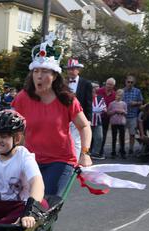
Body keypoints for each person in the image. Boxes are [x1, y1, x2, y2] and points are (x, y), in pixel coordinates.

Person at [11, 35, 92, 197]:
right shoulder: (23, 97)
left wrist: (85, 153)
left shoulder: (67, 99)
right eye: (36, 71)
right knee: (20, 201)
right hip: (30, 160)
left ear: (54, 76)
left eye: (44, 71)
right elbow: (12, 127)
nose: (39, 76)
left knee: (43, 199)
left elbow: (84, 126)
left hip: (60, 161)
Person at [66, 58, 93, 157]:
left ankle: (75, 161)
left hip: (79, 115)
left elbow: (89, 102)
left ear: (78, 70)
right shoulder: (63, 82)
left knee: (76, 140)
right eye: (69, 69)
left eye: (73, 69)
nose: (71, 71)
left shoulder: (86, 84)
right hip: (65, 116)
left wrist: (88, 119)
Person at [123, 75, 144, 155]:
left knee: (132, 134)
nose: (130, 83)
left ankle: (131, 149)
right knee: (122, 134)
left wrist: (136, 103)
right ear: (126, 82)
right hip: (123, 116)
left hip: (133, 116)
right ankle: (122, 148)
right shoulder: (122, 91)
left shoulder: (137, 91)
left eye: (132, 82)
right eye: (128, 82)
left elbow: (141, 102)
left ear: (134, 83)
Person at [96, 78, 117, 158]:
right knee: (95, 135)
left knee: (103, 135)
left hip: (106, 117)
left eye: (110, 85)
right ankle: (92, 151)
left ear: (113, 86)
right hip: (97, 116)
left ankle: (101, 151)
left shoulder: (114, 95)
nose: (108, 86)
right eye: (107, 84)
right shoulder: (99, 91)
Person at [107, 89, 127, 159]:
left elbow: (126, 113)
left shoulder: (124, 104)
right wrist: (115, 111)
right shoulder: (112, 104)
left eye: (121, 95)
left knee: (122, 138)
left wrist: (122, 112)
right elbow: (108, 113)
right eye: (118, 95)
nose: (119, 96)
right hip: (114, 123)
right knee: (114, 137)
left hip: (122, 122)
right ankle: (113, 152)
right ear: (115, 95)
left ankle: (122, 151)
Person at [90, 84, 107, 160]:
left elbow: (104, 107)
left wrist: (104, 110)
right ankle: (84, 153)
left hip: (98, 120)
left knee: (99, 137)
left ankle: (95, 153)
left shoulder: (100, 98)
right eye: (92, 88)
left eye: (94, 88)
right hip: (87, 120)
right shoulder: (86, 97)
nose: (93, 89)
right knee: (85, 138)